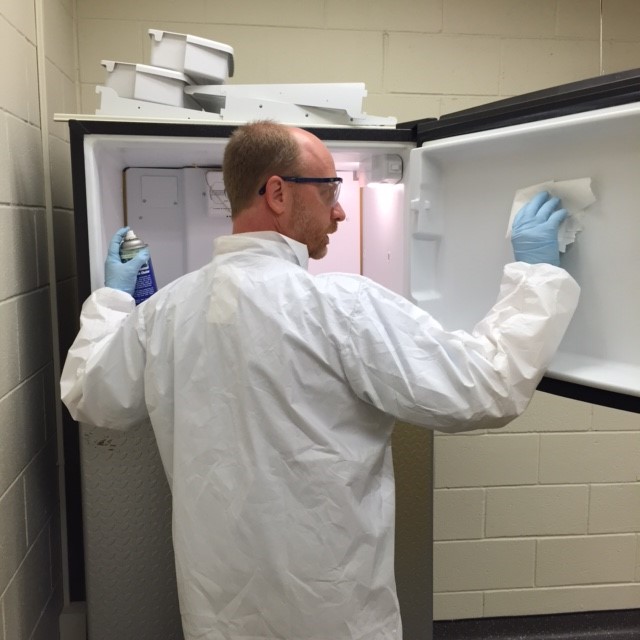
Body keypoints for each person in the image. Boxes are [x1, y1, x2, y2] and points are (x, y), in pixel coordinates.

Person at [61, 120, 580, 640]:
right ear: (278, 193)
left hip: (219, 613)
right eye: (329, 189)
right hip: (334, 612)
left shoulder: (167, 311)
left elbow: (92, 397)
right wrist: (537, 277)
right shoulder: (342, 305)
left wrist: (114, 300)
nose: (340, 209)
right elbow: (483, 388)